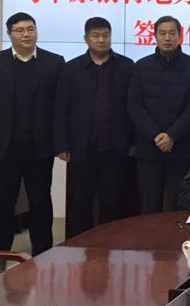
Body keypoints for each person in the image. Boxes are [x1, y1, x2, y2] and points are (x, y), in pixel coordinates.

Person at [0, 12, 64, 271]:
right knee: (2, 202)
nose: (26, 34)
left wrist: (60, 143)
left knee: (40, 201)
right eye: (20, 30)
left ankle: (43, 252)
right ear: (9, 34)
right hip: (4, 147)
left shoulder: (54, 62)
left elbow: (60, 107)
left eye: (30, 29)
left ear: (37, 31)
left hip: (40, 147)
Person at [54, 17, 135, 237]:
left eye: (105, 35)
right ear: (86, 38)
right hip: (81, 149)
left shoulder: (127, 67)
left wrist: (133, 142)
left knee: (113, 202)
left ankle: (109, 245)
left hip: (115, 148)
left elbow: (134, 107)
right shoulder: (71, 69)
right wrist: (62, 144)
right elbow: (61, 109)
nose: (101, 40)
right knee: (80, 203)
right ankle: (78, 246)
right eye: (96, 35)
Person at [128, 16, 190, 214]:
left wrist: (172, 135)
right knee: (148, 205)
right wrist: (156, 135)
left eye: (172, 33)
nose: (167, 38)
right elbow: (134, 106)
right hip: (148, 148)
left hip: (181, 147)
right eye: (162, 33)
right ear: (155, 36)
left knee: (179, 204)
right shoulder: (141, 66)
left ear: (180, 35)